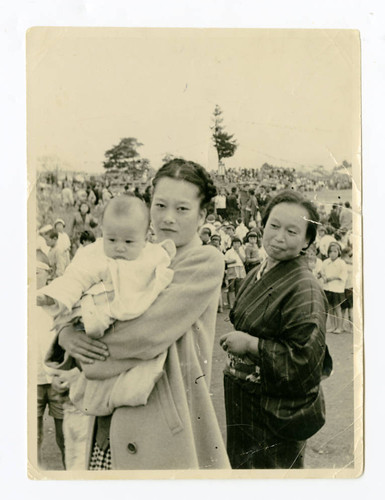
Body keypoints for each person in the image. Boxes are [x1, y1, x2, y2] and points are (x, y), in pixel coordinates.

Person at [46, 158, 230, 470]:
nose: (168, 218)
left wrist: (81, 351)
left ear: (203, 215)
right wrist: (66, 333)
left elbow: (145, 336)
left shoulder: (203, 260)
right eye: (160, 206)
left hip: (159, 415)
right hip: (106, 418)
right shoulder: (132, 251)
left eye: (182, 209)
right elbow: (79, 288)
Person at [219, 190, 330, 469]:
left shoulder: (305, 287)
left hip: (273, 411)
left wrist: (251, 346)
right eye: (274, 226)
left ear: (307, 240)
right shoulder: (259, 270)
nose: (279, 237)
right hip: (243, 402)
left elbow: (305, 361)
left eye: (292, 231)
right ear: (263, 224)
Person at [40, 196, 176, 417]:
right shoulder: (93, 255)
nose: (119, 248)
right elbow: (74, 280)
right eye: (111, 240)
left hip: (130, 325)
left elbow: (164, 275)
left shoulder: (152, 256)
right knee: (90, 385)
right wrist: (53, 296)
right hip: (94, 319)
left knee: (134, 383)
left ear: (145, 238)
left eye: (129, 242)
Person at [36, 252, 66, 468]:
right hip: (32, 380)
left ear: (47, 274)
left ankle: (70, 478)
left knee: (65, 437)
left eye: (38, 272)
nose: (33, 276)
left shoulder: (57, 299)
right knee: (31, 437)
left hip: (57, 378)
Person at [321, 241, 347, 334]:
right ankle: (332, 326)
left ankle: (339, 327)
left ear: (339, 252)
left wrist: (331, 278)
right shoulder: (325, 262)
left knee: (337, 308)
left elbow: (342, 276)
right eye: (330, 252)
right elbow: (322, 272)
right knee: (330, 308)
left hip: (337, 289)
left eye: (335, 251)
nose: (332, 254)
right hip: (327, 288)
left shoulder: (341, 263)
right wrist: (324, 277)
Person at [224, 237, 246, 309]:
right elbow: (225, 261)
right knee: (231, 287)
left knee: (238, 287)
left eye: (238, 243)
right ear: (232, 244)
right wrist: (232, 261)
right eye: (235, 243)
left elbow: (244, 260)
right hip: (232, 269)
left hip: (240, 269)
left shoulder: (242, 250)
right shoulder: (229, 252)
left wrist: (239, 253)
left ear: (240, 244)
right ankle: (230, 304)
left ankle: (237, 303)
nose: (236, 245)